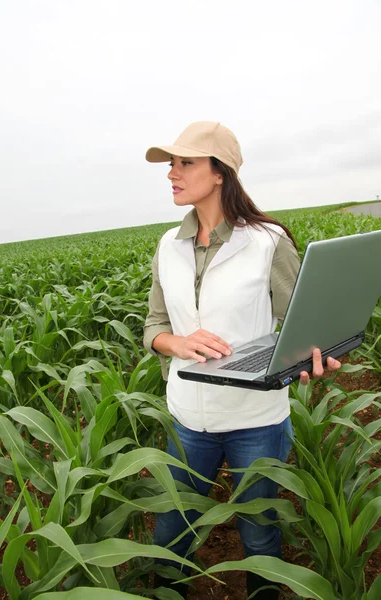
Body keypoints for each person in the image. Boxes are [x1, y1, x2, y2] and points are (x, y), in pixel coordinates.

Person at [143, 121, 341, 599]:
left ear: (219, 173)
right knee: (171, 531)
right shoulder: (168, 246)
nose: (172, 171)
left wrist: (316, 356)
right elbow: (154, 327)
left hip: (257, 420)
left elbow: (307, 326)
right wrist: (178, 343)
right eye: (171, 163)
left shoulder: (267, 241)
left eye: (185, 162)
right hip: (188, 416)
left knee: (258, 533)